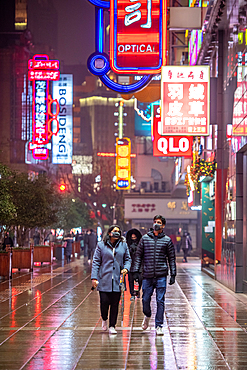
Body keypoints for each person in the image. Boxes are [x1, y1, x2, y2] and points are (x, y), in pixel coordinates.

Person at [133, 215, 176, 336]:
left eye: (159, 222)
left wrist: (173, 274)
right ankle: (147, 315)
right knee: (145, 299)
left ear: (163, 226)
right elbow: (138, 256)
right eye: (155, 222)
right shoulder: (145, 239)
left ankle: (159, 325)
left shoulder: (167, 240)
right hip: (147, 275)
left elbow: (171, 258)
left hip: (161, 275)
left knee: (160, 300)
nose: (156, 224)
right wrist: (136, 272)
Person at [91, 225, 131, 334]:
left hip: (118, 280)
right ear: (109, 233)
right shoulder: (101, 245)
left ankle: (112, 325)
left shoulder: (123, 245)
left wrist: (126, 268)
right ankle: (104, 318)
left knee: (115, 303)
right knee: (104, 302)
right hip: (104, 279)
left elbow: (128, 259)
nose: (117, 233)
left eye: (118, 231)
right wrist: (94, 277)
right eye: (114, 231)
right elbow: (96, 262)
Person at [126, 228, 142, 301]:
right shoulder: (127, 245)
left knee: (139, 279)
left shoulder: (141, 244)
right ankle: (132, 293)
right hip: (130, 265)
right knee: (131, 280)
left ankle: (137, 291)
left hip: (140, 265)